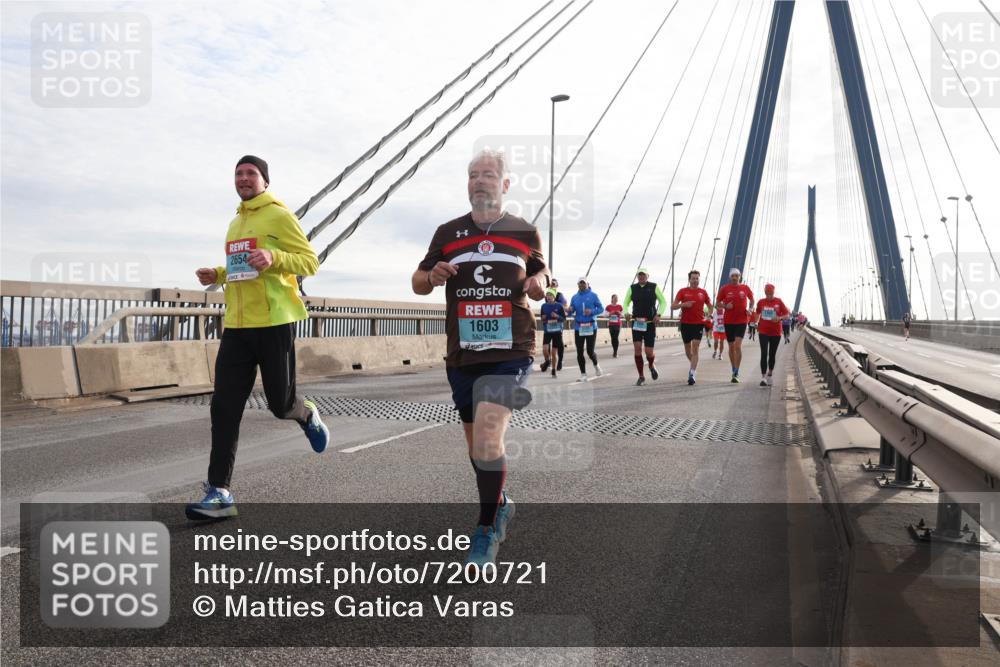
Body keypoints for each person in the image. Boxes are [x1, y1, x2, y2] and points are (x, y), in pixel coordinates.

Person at [411, 149, 548, 567]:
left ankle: (485, 530)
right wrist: (432, 275)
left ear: (504, 184)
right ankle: (501, 503)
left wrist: (539, 283)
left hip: (511, 350)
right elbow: (418, 282)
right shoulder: (447, 232)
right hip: (463, 354)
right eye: (473, 174)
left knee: (489, 437)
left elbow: (542, 272)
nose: (479, 180)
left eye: (488, 174)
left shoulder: (524, 231)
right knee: (478, 451)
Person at [187, 155, 329, 521]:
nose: (244, 178)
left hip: (273, 322)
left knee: (280, 404)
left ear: (265, 181)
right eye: (238, 173)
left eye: (251, 173)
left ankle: (305, 413)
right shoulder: (235, 222)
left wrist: (274, 256)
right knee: (223, 407)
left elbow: (310, 262)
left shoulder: (280, 216)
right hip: (237, 325)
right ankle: (220, 492)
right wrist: (217, 274)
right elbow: (241, 270)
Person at [623, 267, 667, 386]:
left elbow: (663, 302)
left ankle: (651, 365)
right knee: (637, 349)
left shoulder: (654, 287)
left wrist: (659, 314)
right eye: (639, 275)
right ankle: (641, 376)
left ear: (648, 276)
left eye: (643, 275)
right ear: (637, 276)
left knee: (649, 352)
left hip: (650, 323)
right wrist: (626, 312)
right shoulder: (632, 288)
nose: (641, 277)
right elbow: (625, 303)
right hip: (637, 323)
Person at [672, 270, 713, 385]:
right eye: (693, 278)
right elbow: (673, 306)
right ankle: (694, 365)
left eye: (697, 278)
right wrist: (684, 304)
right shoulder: (683, 291)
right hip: (685, 324)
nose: (695, 280)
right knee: (687, 350)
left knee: (695, 347)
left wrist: (709, 316)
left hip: (698, 324)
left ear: (699, 280)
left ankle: (692, 373)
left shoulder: (703, 292)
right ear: (689, 280)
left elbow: (710, 306)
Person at [716, 268, 755, 383]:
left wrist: (750, 309)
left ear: (739, 277)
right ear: (730, 277)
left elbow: (752, 300)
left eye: (736, 276)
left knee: (737, 346)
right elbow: (717, 303)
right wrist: (725, 306)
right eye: (732, 276)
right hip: (728, 321)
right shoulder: (724, 289)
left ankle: (737, 371)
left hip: (741, 321)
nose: (734, 278)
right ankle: (733, 368)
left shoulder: (745, 288)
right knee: (731, 347)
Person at [566, 278, 604, 380]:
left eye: (583, 283)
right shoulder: (574, 297)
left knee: (590, 351)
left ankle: (596, 365)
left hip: (591, 326)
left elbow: (601, 308)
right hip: (579, 327)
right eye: (580, 283)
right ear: (578, 285)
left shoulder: (593, 295)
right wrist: (570, 310)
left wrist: (591, 311)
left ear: (587, 284)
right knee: (579, 351)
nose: (582, 285)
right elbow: (571, 311)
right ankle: (583, 374)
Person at [754, 284, 790, 387]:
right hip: (763, 331)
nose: (769, 295)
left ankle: (770, 374)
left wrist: (779, 318)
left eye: (771, 293)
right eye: (767, 293)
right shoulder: (761, 302)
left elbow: (787, 315)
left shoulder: (779, 301)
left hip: (776, 332)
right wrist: (756, 322)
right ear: (765, 292)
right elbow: (757, 313)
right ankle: (763, 377)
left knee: (772, 354)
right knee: (764, 353)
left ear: (773, 292)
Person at [540, 289, 565, 373]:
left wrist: (557, 316)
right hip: (547, 331)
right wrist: (543, 318)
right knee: (545, 349)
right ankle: (547, 361)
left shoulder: (559, 306)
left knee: (554, 353)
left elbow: (563, 319)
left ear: (554, 297)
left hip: (557, 332)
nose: (548, 297)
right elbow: (542, 318)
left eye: (550, 295)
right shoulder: (543, 306)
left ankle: (554, 370)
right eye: (547, 295)